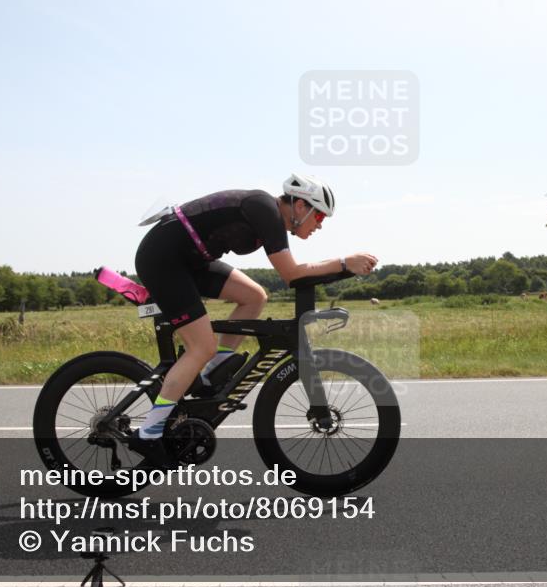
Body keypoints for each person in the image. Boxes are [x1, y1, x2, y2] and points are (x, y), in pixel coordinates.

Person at [129, 174, 377, 466]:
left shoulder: (270, 215)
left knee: (255, 297)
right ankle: (149, 432)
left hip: (191, 259)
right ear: (299, 206)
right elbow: (291, 273)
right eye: (319, 215)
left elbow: (294, 274)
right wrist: (345, 263)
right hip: (165, 259)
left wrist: (344, 268)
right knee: (200, 347)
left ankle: (210, 374)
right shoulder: (264, 209)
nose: (320, 224)